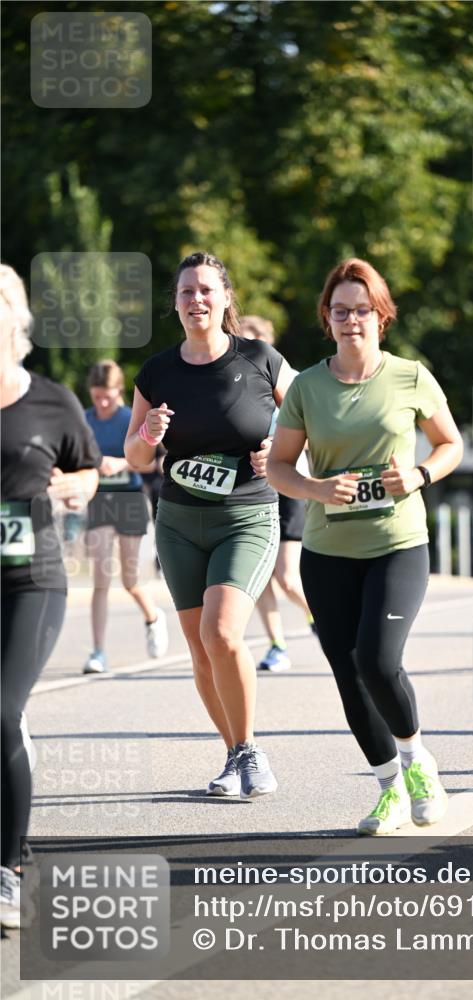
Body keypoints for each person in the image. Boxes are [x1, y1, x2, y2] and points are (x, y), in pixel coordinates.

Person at [268, 258, 463, 835]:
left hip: (398, 542)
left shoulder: (411, 377)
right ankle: (389, 790)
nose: (350, 319)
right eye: (339, 310)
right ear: (327, 320)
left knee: (379, 660)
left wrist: (423, 475)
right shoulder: (307, 385)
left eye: (361, 309)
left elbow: (450, 444)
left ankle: (417, 761)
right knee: (347, 671)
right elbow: (279, 466)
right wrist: (315, 488)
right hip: (327, 550)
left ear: (381, 316)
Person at [124, 252, 293, 799]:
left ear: (225, 298)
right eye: (185, 292)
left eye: (205, 290)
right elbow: (134, 456)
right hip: (177, 521)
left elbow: (311, 420)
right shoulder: (157, 371)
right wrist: (149, 432)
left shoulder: (261, 360)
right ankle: (232, 754)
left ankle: (251, 751)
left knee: (221, 632)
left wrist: (285, 453)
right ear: (174, 304)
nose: (196, 300)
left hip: (246, 516)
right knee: (200, 649)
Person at [1, 264, 100, 929]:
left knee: (1, 710)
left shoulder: (50, 400)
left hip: (30, 579)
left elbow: (89, 470)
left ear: (16, 320)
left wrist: (74, 488)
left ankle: (8, 870)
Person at [239, 314, 316, 673]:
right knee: (262, 577)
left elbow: (313, 434)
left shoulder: (293, 383)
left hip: (289, 485)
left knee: (286, 576)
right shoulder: (234, 384)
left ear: (266, 344)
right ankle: (277, 645)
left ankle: (322, 618)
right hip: (252, 487)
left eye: (249, 339)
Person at [82, 360, 168, 674]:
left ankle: (153, 617)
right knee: (100, 578)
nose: (102, 403)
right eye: (97, 396)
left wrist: (120, 463)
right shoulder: (84, 419)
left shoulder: (127, 418)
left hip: (130, 499)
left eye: (108, 396)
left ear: (119, 391)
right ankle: (97, 651)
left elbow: (151, 465)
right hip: (99, 500)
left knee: (130, 579)